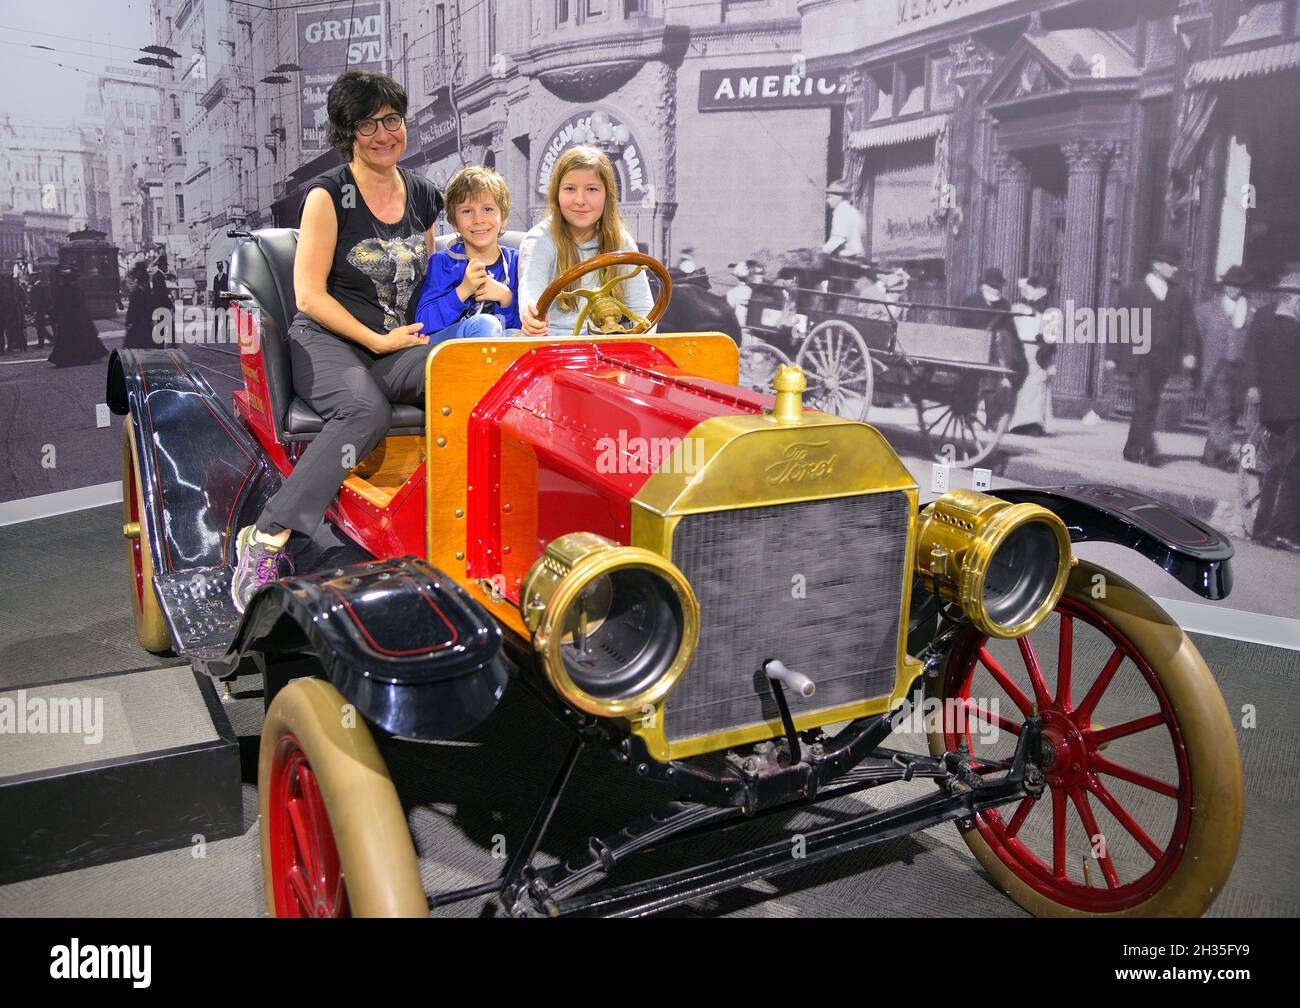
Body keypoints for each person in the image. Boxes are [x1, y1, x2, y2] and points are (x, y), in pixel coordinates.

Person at [230, 70, 443, 613]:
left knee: (465, 378)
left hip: (392, 343)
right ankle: (268, 534)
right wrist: (378, 338)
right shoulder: (328, 196)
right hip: (325, 340)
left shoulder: (422, 195)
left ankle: (445, 527)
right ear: (346, 133)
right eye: (366, 124)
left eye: (391, 120)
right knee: (363, 411)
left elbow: (427, 281)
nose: (382, 134)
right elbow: (308, 296)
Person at [519, 145, 654, 338]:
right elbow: (531, 298)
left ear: (607, 195)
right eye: (570, 189)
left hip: (609, 349)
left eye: (591, 189)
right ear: (556, 194)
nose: (580, 200)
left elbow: (643, 310)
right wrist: (531, 319)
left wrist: (633, 348)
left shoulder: (620, 240)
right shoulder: (540, 240)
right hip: (554, 349)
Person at [1106, 240, 1200, 467]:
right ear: (1157, 265)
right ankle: (1149, 450)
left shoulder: (1179, 294)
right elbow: (1118, 324)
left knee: (1149, 403)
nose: (1175, 268)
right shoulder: (1133, 291)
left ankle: (1131, 448)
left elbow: (1188, 326)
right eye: (1171, 264)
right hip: (1137, 357)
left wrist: (1189, 352)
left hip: (1164, 358)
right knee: (1146, 400)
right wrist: (1112, 355)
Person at [411, 165, 521, 343]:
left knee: (518, 334)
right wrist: (463, 291)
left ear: (504, 218)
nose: (478, 220)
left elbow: (519, 326)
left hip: (498, 345)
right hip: (451, 347)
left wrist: (505, 299)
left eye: (488, 209)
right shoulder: (442, 263)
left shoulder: (516, 262)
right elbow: (423, 323)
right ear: (454, 223)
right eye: (467, 211)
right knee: (486, 324)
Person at [1247, 272, 1300, 552]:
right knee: (1291, 472)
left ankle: (1262, 528)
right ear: (1292, 299)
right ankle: (1281, 531)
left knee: (1275, 469)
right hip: (1294, 409)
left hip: (1272, 407)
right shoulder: (1294, 328)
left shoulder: (1264, 323)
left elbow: (1253, 358)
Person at [1196, 265, 1256, 471]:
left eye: (1238, 286)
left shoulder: (1250, 312)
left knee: (1232, 411)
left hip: (1239, 370)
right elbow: (1197, 339)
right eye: (1230, 284)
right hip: (1216, 369)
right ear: (1224, 285)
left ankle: (1209, 455)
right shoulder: (1207, 310)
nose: (1233, 289)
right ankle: (1223, 456)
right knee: (1221, 411)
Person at [960, 267, 1026, 407]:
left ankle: (991, 419)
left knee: (992, 385)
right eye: (992, 286)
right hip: (971, 349)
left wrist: (1018, 353)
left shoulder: (1004, 305)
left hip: (994, 354)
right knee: (969, 381)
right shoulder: (971, 301)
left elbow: (1010, 331)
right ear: (983, 286)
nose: (996, 290)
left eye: (998, 286)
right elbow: (960, 326)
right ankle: (967, 408)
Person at [1009, 276, 1057, 435]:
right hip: (1024, 348)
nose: (1027, 291)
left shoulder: (1048, 312)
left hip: (1036, 350)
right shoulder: (1024, 308)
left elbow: (1050, 338)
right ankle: (1022, 422)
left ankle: (1030, 423)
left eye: (1031, 288)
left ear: (1041, 291)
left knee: (1034, 386)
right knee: (1027, 386)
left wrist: (1043, 352)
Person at [47, 266, 109, 367]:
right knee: (83, 337)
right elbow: (82, 303)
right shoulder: (78, 289)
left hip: (67, 318)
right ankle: (85, 356)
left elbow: (57, 305)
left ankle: (67, 358)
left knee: (66, 339)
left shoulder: (61, 291)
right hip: (80, 317)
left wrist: (54, 317)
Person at [822, 179, 865, 259]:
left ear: (840, 197)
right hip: (858, 255)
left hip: (848, 258)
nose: (827, 201)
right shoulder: (853, 211)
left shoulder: (841, 211)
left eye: (830, 197)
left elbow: (838, 238)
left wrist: (823, 252)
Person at [123, 261, 156, 350]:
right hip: (138, 319)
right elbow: (132, 307)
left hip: (143, 319)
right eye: (146, 282)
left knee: (140, 338)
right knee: (137, 338)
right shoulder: (137, 292)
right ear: (143, 282)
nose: (147, 284)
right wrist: (128, 320)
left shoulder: (141, 290)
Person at [725, 260, 752, 329]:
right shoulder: (753, 291)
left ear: (736, 277)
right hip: (752, 329)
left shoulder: (732, 292)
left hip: (738, 328)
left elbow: (729, 313)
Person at [29, 273, 52, 348]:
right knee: (40, 326)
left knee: (39, 327)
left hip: (39, 310)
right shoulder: (42, 286)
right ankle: (50, 340)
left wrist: (35, 310)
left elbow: (37, 301)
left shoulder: (37, 287)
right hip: (41, 309)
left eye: (31, 277)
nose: (30, 279)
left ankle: (42, 343)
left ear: (35, 278)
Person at [211, 260, 229, 343]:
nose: (220, 268)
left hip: (224, 302)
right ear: (217, 268)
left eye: (221, 267)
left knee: (225, 319)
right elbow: (214, 290)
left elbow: (228, 289)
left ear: (223, 267)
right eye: (218, 267)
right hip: (218, 302)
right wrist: (214, 302)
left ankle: (224, 337)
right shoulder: (215, 277)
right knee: (216, 319)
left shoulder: (226, 277)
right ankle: (214, 337)